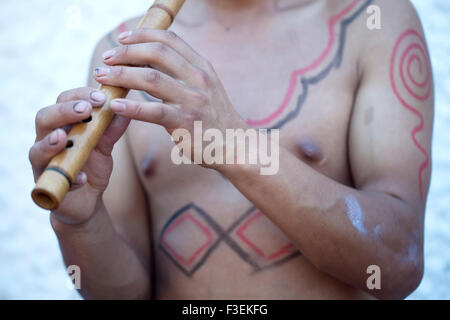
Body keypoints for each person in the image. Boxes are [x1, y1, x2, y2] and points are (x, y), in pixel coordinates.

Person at [29, 0, 433, 299]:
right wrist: (79, 224)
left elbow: (398, 262)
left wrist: (234, 147)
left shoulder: (373, 21)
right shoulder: (124, 50)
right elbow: (123, 294)